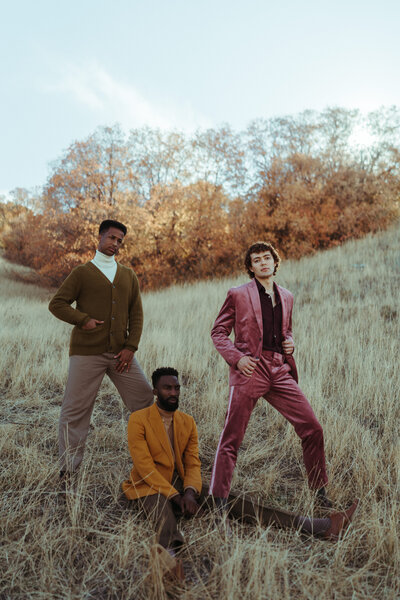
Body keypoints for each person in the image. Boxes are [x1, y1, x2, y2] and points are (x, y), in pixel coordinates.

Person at [122, 367, 358, 581]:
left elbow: (192, 463)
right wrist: (176, 497)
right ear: (155, 391)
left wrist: (191, 493)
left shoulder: (187, 422)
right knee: (164, 516)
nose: (173, 392)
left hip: (182, 483)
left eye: (176, 387)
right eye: (167, 388)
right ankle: (169, 564)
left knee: (234, 501)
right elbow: (144, 468)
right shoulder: (138, 420)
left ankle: (323, 525)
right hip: (149, 485)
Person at [209, 241, 331, 508]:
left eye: (267, 258)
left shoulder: (287, 296)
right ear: (250, 268)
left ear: (275, 262)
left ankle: (320, 493)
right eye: (256, 260)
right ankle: (218, 499)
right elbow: (218, 332)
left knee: (312, 428)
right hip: (252, 368)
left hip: (280, 369)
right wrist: (237, 359)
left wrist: (290, 342)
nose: (263, 262)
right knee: (232, 436)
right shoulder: (238, 294)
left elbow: (285, 330)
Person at [49, 219, 153, 479]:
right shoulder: (82, 272)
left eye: (120, 241)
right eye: (111, 238)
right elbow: (57, 304)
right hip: (87, 353)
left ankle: (154, 461)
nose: (115, 244)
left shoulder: (128, 275)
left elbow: (136, 315)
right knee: (75, 410)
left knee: (145, 400)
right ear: (100, 237)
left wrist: (131, 347)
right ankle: (68, 470)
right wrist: (83, 320)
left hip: (121, 354)